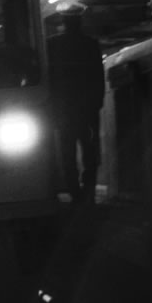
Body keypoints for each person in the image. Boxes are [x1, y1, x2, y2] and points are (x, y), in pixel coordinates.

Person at [46, 10, 105, 203]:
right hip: (87, 110)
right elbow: (98, 77)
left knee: (67, 153)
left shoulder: (53, 45)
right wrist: (97, 104)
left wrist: (52, 108)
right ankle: (88, 189)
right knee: (90, 151)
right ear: (80, 22)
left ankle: (74, 190)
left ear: (64, 22)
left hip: (64, 111)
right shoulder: (90, 44)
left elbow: (51, 79)